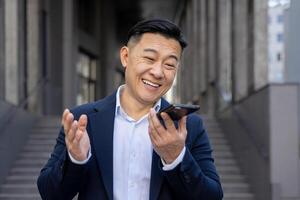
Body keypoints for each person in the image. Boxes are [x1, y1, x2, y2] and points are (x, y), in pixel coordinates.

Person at [37, 19, 223, 200]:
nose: (158, 72)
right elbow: (50, 193)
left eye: (169, 65)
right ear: (125, 57)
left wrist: (176, 157)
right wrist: (76, 159)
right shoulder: (82, 120)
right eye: (149, 58)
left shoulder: (188, 125)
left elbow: (212, 196)